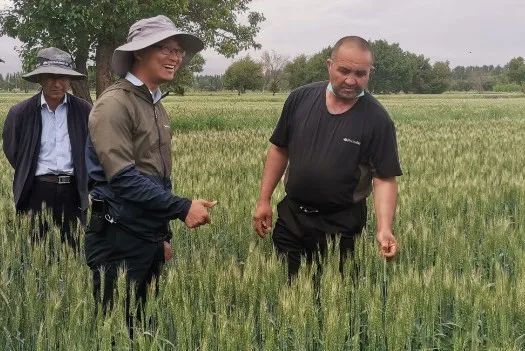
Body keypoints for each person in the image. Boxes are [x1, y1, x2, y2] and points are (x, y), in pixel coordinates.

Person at [85, 15, 216, 320]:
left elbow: (158, 179)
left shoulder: (155, 105)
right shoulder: (114, 104)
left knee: (143, 327)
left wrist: (162, 237)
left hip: (146, 237)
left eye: (178, 51)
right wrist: (183, 208)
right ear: (140, 51)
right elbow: (123, 179)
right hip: (118, 239)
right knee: (116, 330)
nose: (176, 57)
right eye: (166, 49)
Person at [253, 36, 402, 280]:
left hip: (341, 225)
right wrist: (263, 200)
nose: (351, 80)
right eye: (344, 70)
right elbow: (280, 149)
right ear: (329, 65)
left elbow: (384, 178)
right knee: (287, 294)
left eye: (360, 74)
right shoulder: (300, 99)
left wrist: (384, 228)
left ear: (370, 72)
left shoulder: (377, 119)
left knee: (335, 301)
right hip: (292, 218)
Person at [2, 47, 91, 250]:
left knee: (74, 251)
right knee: (36, 253)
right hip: (35, 190)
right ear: (40, 78)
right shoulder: (20, 113)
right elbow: (13, 150)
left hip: (73, 191)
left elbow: (92, 150)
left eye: (62, 77)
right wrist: (30, 167)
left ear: (70, 80)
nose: (56, 83)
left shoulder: (84, 110)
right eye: (49, 77)